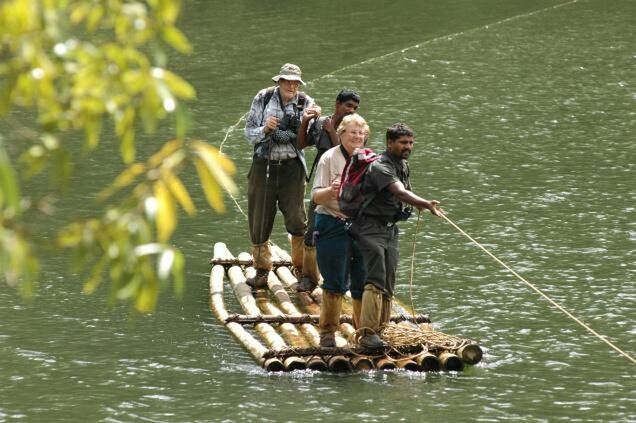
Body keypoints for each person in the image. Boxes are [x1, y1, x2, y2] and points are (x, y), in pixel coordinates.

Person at [354, 123, 443, 349]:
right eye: (403, 143)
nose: (408, 147)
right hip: (370, 227)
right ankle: (366, 334)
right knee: (375, 279)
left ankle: (380, 329)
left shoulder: (402, 164)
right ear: (390, 143)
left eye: (411, 143)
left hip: (390, 228)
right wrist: (424, 204)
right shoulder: (379, 166)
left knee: (389, 278)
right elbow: (399, 192)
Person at [244, 63, 321, 289]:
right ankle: (261, 270)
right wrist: (265, 129)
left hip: (292, 169)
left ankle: (304, 270)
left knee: (298, 220)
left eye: (295, 82)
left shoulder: (306, 103)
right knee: (259, 218)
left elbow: (311, 139)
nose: (291, 85)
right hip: (263, 166)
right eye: (287, 81)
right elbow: (249, 134)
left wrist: (313, 119)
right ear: (279, 81)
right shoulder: (263, 97)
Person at [295, 89, 361, 293]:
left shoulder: (354, 128)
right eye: (348, 106)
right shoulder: (321, 122)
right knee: (311, 231)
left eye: (355, 108)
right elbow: (301, 144)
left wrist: (332, 131)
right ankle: (308, 277)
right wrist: (306, 121)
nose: (351, 111)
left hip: (345, 185)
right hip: (323, 183)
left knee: (344, 233)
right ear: (337, 104)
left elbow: (343, 150)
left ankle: (340, 279)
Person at [311, 113, 369, 347]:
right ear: (342, 133)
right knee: (334, 281)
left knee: (363, 280)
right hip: (331, 222)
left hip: (361, 225)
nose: (357, 137)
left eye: (361, 133)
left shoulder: (370, 159)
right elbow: (316, 197)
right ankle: (327, 332)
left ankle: (364, 331)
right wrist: (331, 190)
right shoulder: (328, 158)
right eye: (352, 132)